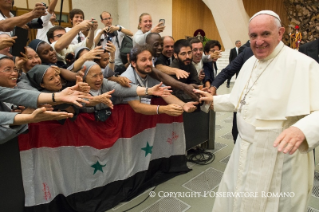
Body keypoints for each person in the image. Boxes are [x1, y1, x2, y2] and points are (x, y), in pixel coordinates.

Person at [195, 10, 319, 212]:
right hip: (244, 151)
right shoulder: (250, 63)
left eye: (265, 34)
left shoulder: (303, 64)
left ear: (280, 33)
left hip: (281, 156)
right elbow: (242, 101)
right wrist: (213, 101)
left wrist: (302, 129)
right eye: (253, 36)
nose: (258, 41)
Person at [121, 45, 197, 116]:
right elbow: (136, 107)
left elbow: (166, 93)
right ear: (133, 63)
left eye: (150, 59)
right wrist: (164, 109)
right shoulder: (127, 78)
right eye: (144, 60)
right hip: (123, 116)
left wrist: (183, 105)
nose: (149, 63)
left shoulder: (150, 73)